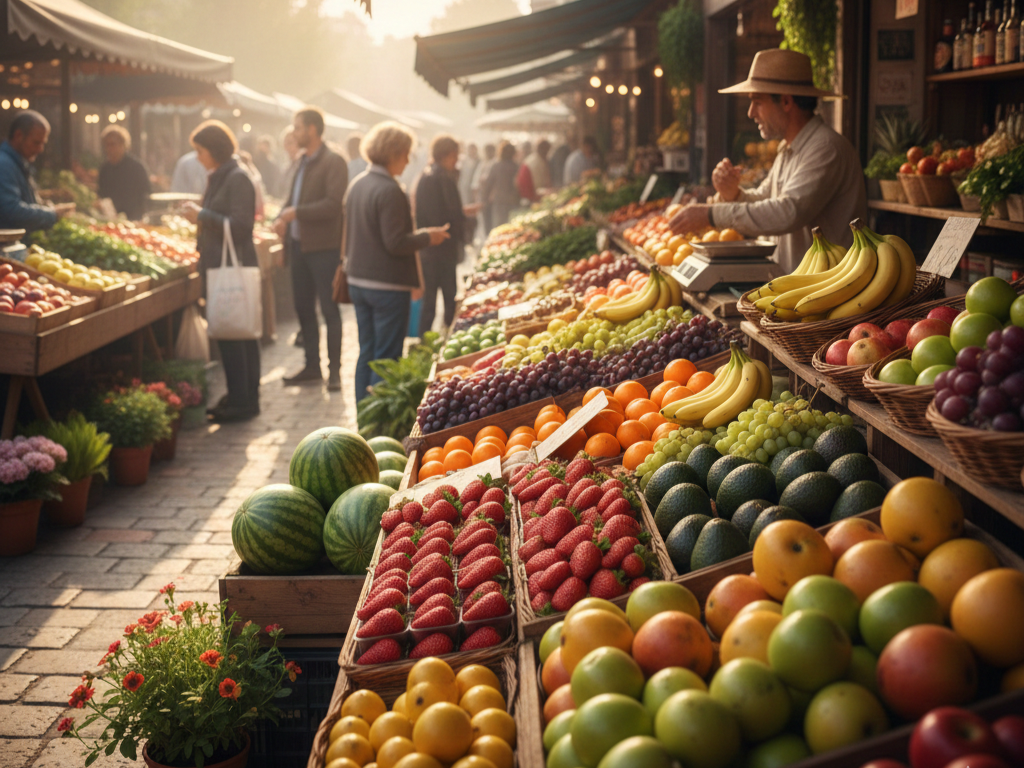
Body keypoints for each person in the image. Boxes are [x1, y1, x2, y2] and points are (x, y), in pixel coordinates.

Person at [668, 49, 867, 273]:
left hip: (826, 293)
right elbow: (765, 198)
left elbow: (788, 212)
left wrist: (710, 214)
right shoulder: (788, 148)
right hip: (795, 290)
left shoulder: (825, 149)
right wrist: (733, 194)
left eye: (757, 101)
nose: (751, 113)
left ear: (785, 102)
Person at [344, 121, 450, 403]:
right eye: (406, 154)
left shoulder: (358, 184)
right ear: (393, 152)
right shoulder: (390, 190)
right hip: (386, 286)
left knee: (367, 352)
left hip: (358, 281)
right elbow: (396, 242)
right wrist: (428, 237)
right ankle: (376, 421)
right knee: (387, 358)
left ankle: (363, 415)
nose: (407, 161)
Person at [180, 121, 261, 422]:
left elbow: (241, 226)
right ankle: (240, 395)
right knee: (234, 333)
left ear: (214, 150)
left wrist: (201, 215)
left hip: (232, 267)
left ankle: (244, 400)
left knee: (235, 333)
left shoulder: (237, 177)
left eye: (200, 151)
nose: (198, 157)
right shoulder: (221, 176)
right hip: (221, 265)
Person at [273, 107, 348, 392]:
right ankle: (312, 366)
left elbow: (332, 205)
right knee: (303, 308)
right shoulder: (301, 162)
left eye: (298, 127)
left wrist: (295, 213)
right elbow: (290, 200)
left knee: (329, 310)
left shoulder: (333, 161)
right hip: (298, 247)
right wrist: (281, 218)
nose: (294, 132)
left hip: (324, 249)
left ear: (313, 129)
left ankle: (335, 372)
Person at [415, 135, 480, 337]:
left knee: (436, 300)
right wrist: (463, 219)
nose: (456, 160)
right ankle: (441, 339)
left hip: (434, 249)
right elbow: (444, 215)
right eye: (454, 156)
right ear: (444, 155)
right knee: (439, 299)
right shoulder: (440, 178)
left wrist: (462, 214)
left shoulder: (429, 177)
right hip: (440, 248)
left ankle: (434, 340)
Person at [0, 110, 74, 235]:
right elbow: (11, 210)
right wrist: (52, 214)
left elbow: (25, 201)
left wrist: (45, 206)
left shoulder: (18, 163)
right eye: (36, 142)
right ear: (18, 136)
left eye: (43, 143)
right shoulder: (4, 164)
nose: (40, 149)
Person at [97, 125, 150, 221]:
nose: (109, 148)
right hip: (111, 221)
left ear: (123, 145)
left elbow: (145, 194)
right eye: (107, 145)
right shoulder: (104, 169)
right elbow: (102, 195)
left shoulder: (137, 168)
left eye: (113, 144)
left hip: (135, 220)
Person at [481, 141, 520, 230]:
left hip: (499, 202)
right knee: (512, 228)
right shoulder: (516, 167)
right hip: (513, 201)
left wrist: (484, 199)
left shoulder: (497, 166)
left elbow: (488, 184)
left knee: (500, 229)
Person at [471, 143, 497, 235]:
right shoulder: (483, 163)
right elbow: (476, 182)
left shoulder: (496, 163)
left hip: (493, 198)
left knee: (493, 221)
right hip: (484, 197)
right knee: (485, 221)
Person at [251, 135, 280, 200]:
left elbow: (274, 185)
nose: (261, 149)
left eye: (264, 147)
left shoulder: (273, 166)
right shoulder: (254, 163)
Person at [458, 143, 479, 207]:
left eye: (473, 150)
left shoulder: (479, 161)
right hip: (463, 187)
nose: (472, 151)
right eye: (470, 149)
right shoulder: (463, 161)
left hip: (473, 189)